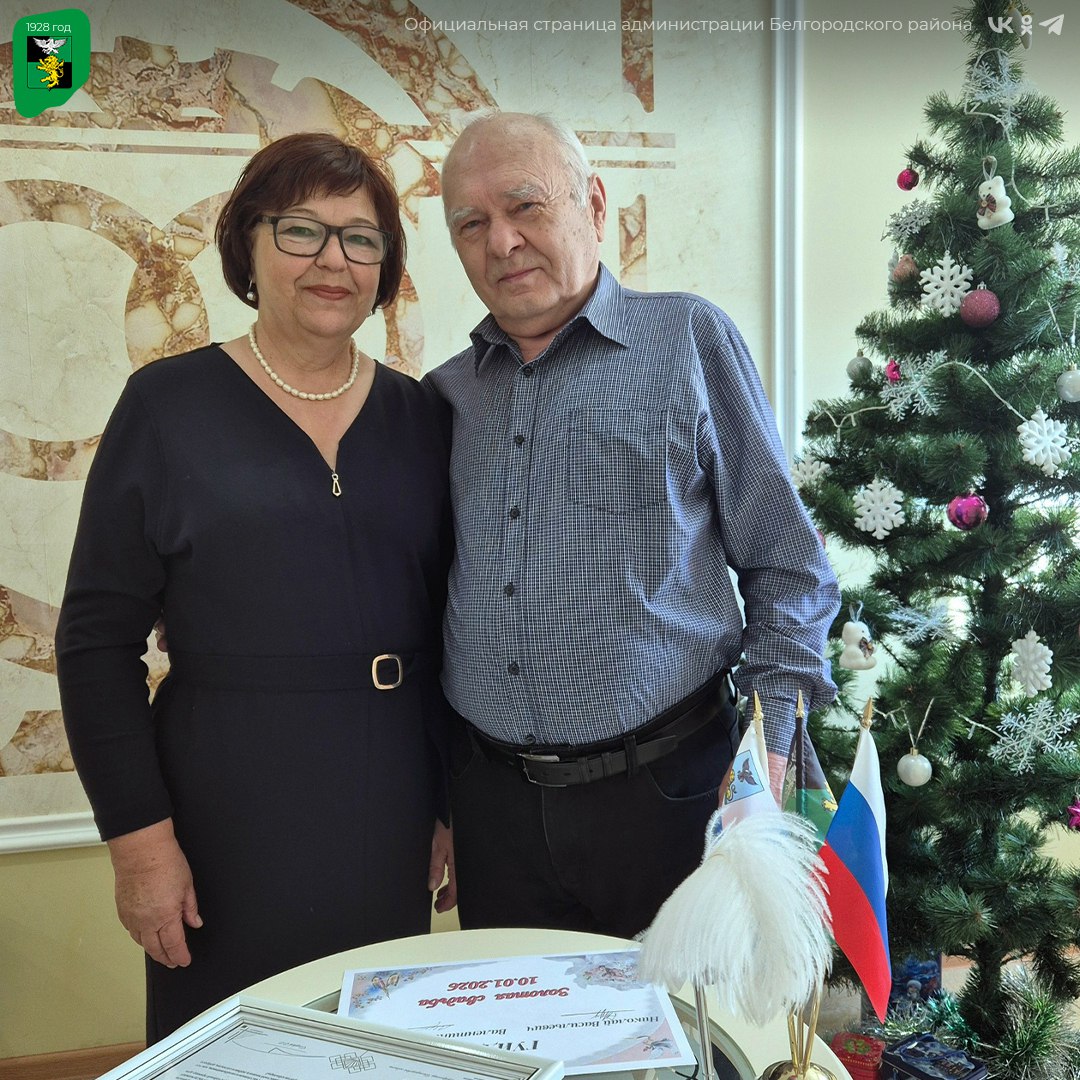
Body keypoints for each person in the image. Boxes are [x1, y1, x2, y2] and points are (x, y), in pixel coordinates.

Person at [55, 133, 455, 1043]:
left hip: (390, 799)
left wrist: (447, 806)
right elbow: (95, 644)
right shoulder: (166, 407)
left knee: (375, 1045)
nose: (333, 260)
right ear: (248, 243)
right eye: (301, 230)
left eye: (361, 238)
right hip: (222, 809)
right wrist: (140, 845)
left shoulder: (421, 415)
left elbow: (450, 627)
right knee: (232, 1046)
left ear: (385, 266)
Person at [425, 111, 839, 939]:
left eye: (526, 206)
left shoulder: (687, 338)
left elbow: (787, 563)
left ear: (594, 204)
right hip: (494, 811)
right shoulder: (445, 396)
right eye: (472, 224)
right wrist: (442, 801)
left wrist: (769, 750)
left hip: (672, 796)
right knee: (524, 1020)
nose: (501, 242)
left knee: (685, 1021)